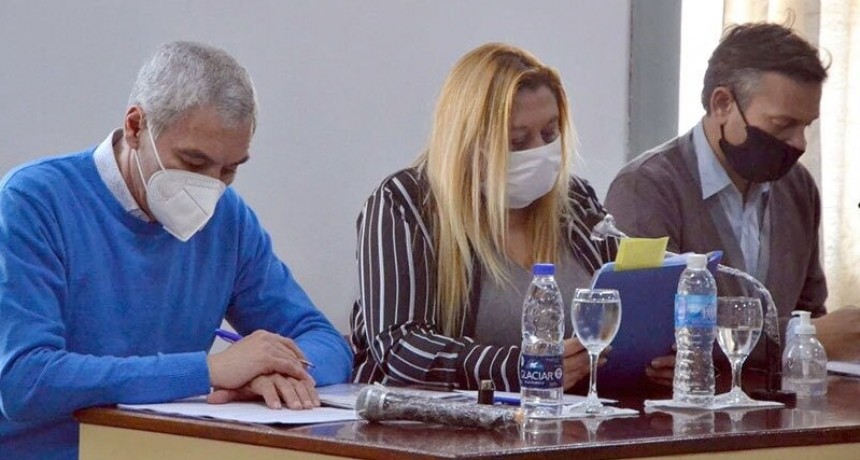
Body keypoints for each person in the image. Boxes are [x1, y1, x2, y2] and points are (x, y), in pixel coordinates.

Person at [0, 41, 352, 459]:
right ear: (135, 127)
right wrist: (208, 371)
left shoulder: (228, 219)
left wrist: (269, 371)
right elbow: (24, 380)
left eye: (230, 169)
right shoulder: (33, 201)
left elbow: (326, 342)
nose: (211, 187)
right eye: (193, 162)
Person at [349, 43, 618, 392]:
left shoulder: (576, 202)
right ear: (467, 143)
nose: (539, 151)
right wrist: (519, 368)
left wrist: (663, 356)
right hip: (435, 422)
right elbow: (400, 347)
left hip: (573, 417)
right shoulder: (404, 203)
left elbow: (620, 311)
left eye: (550, 134)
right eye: (517, 141)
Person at [605, 23, 860, 379]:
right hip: (678, 408)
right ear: (722, 103)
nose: (800, 143)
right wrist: (796, 336)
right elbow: (653, 338)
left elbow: (809, 310)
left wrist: (814, 335)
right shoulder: (647, 187)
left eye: (806, 126)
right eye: (782, 124)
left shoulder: (798, 186)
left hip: (779, 405)